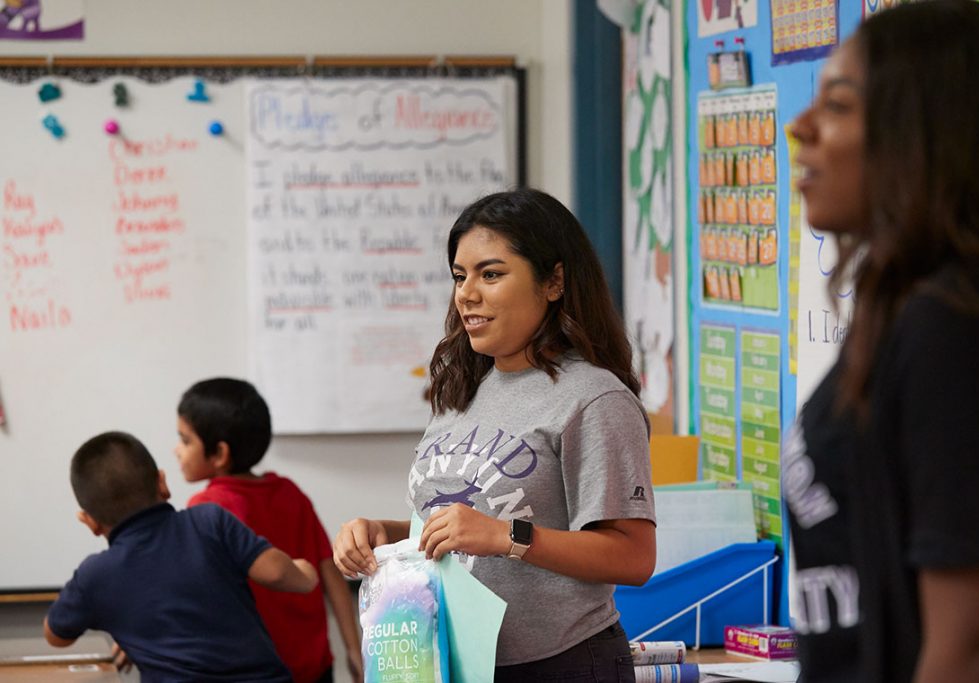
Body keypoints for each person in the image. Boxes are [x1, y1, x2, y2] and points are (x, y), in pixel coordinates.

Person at [785, 1, 979, 680]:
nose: (800, 127)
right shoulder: (906, 306)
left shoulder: (961, 321)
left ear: (919, 133)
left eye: (836, 104)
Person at [334, 188, 656, 681]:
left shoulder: (593, 398)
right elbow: (461, 526)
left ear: (554, 282)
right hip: (456, 662)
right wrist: (386, 534)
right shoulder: (463, 386)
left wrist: (507, 538)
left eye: (491, 274)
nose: (467, 293)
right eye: (460, 277)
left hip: (561, 665)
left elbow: (633, 556)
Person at [44, 431, 318, 682]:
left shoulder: (95, 575)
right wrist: (305, 573)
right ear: (162, 483)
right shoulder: (209, 521)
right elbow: (277, 573)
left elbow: (55, 635)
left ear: (89, 521)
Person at [177, 377, 363, 683]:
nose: (177, 451)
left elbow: (182, 589)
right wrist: (354, 649)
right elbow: (329, 569)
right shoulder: (290, 492)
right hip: (314, 666)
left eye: (185, 441)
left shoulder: (206, 508)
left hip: (253, 672)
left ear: (220, 454)